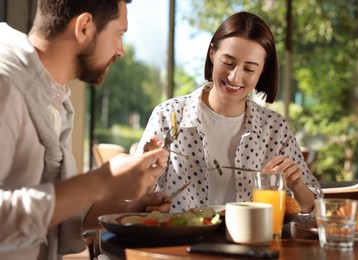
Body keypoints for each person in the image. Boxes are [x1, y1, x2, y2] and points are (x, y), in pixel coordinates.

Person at [0, 0, 170, 259]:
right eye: (119, 34)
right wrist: (101, 182)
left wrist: (129, 209)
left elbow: (50, 208)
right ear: (84, 27)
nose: (121, 50)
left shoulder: (55, 101)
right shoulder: (5, 84)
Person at [136, 11, 323, 213]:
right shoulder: (168, 115)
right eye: (228, 63)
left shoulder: (274, 127)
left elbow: (311, 207)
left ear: (263, 70)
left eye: (249, 69)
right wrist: (147, 175)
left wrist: (296, 184)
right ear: (212, 54)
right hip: (180, 240)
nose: (234, 77)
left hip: (253, 242)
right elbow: (136, 199)